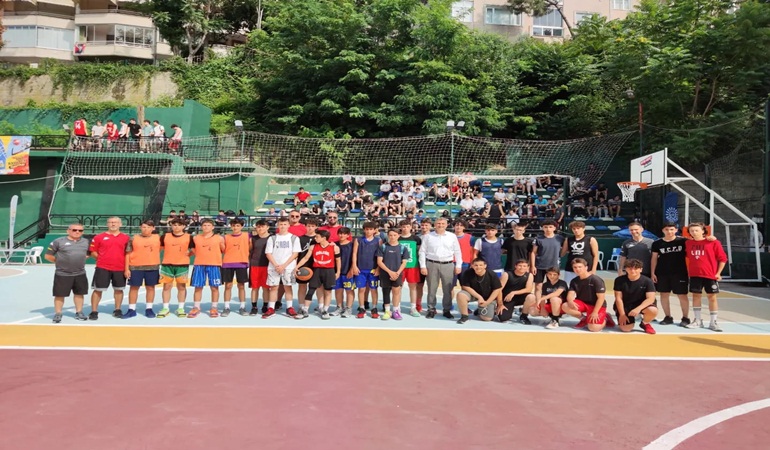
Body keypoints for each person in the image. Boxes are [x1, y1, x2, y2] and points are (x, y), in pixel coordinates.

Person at [685, 222, 727, 332]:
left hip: (710, 275)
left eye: (697, 230)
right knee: (696, 296)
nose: (694, 232)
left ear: (703, 231)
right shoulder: (688, 243)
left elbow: (723, 259)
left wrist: (718, 273)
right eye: (692, 230)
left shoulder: (713, 242)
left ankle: (713, 322)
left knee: (712, 297)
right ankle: (698, 320)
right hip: (695, 275)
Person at [418, 217, 463, 319]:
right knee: (431, 288)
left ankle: (446, 309)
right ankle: (431, 309)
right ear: (435, 225)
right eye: (438, 223)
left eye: (443, 224)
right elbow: (422, 252)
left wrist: (459, 265)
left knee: (447, 289)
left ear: (447, 225)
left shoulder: (452, 236)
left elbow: (457, 251)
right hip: (432, 264)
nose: (440, 225)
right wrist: (423, 266)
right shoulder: (428, 236)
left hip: (448, 264)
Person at [46, 224, 90, 323]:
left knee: (79, 294)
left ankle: (79, 312)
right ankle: (58, 313)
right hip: (62, 274)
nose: (77, 232)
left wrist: (82, 258)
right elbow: (48, 256)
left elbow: (89, 253)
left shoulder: (86, 242)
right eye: (74, 230)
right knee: (59, 295)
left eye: (80, 230)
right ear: (68, 231)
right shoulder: (58, 241)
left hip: (80, 273)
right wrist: (60, 262)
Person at [88, 216, 129, 319]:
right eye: (110, 222)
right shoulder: (99, 237)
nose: (113, 224)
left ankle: (117, 309)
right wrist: (102, 259)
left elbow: (128, 253)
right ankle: (94, 311)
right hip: (102, 268)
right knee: (98, 289)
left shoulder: (126, 238)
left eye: (115, 222)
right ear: (107, 224)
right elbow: (93, 251)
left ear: (120, 224)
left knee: (119, 290)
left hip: (120, 268)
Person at [650, 222, 691, 326]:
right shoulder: (657, 243)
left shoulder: (684, 241)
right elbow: (654, 258)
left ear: (676, 230)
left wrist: (710, 238)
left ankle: (685, 318)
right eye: (667, 230)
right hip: (662, 273)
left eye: (672, 229)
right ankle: (668, 317)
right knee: (664, 294)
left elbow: (698, 241)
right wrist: (652, 273)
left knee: (682, 295)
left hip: (680, 273)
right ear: (663, 230)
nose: (669, 232)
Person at [294, 230, 340, 320]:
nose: (315, 238)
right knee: (311, 290)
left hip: (329, 271)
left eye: (317, 237)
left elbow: (338, 260)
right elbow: (306, 258)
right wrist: (297, 266)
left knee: (328, 291)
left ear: (324, 238)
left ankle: (325, 310)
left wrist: (338, 272)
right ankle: (305, 310)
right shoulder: (313, 246)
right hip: (317, 270)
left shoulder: (334, 247)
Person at [562, 258, 615, 332]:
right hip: (583, 304)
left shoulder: (596, 280)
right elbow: (570, 294)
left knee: (593, 328)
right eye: (575, 267)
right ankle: (584, 319)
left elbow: (601, 298)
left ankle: (605, 317)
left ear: (586, 267)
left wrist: (595, 312)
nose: (577, 269)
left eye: (580, 267)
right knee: (565, 305)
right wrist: (570, 301)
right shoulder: (574, 281)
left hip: (596, 305)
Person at [264, 217, 301, 318]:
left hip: (288, 267)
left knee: (287, 287)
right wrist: (276, 265)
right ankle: (271, 308)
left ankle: (289, 308)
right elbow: (268, 253)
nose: (283, 226)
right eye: (281, 224)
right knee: (274, 287)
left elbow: (295, 254)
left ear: (289, 225)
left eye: (285, 224)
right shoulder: (272, 238)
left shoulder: (294, 238)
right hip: (273, 267)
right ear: (278, 225)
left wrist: (284, 265)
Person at [124, 220, 161, 318]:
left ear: (153, 228)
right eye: (144, 227)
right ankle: (131, 309)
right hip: (135, 267)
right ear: (140, 227)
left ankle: (149, 309)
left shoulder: (158, 238)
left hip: (153, 267)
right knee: (134, 288)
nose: (146, 229)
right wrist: (126, 269)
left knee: (150, 288)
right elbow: (127, 254)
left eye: (149, 227)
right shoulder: (133, 238)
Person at [189, 219, 225, 318]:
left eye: (209, 225)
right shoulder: (196, 238)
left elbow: (224, 250)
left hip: (214, 265)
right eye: (204, 225)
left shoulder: (219, 238)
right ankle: (196, 307)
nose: (206, 227)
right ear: (201, 227)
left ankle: (214, 307)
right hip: (199, 265)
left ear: (213, 227)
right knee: (198, 287)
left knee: (214, 287)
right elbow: (192, 250)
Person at [158, 218, 194, 318]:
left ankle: (181, 308)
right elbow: (159, 249)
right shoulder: (165, 236)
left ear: (183, 226)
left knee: (181, 287)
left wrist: (189, 254)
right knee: (166, 287)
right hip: (167, 265)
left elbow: (194, 250)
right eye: (174, 225)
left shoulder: (189, 237)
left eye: (179, 225)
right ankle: (165, 308)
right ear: (171, 226)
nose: (176, 227)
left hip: (182, 265)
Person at [613, 259, 658, 334]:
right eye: (630, 268)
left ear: (641, 269)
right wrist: (622, 314)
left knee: (653, 310)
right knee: (626, 329)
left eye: (636, 268)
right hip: (626, 305)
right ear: (626, 269)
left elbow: (650, 299)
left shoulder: (647, 281)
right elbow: (618, 298)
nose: (633, 270)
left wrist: (638, 309)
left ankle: (645, 323)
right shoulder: (619, 280)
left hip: (641, 305)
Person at [455, 258, 503, 324]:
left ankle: (480, 309)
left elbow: (497, 290)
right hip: (474, 295)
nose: (478, 267)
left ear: (485, 266)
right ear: (472, 265)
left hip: (488, 297)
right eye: (476, 265)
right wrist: (479, 297)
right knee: (460, 295)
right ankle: (464, 316)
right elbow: (465, 286)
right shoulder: (468, 272)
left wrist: (487, 302)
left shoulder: (492, 274)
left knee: (487, 318)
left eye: (480, 265)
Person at [377, 229, 410, 320]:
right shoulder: (383, 247)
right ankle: (387, 311)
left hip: (397, 273)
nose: (392, 237)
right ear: (388, 236)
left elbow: (404, 263)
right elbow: (379, 262)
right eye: (390, 235)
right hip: (385, 273)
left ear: (398, 236)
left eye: (394, 235)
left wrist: (397, 273)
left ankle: (395, 310)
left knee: (396, 292)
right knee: (386, 292)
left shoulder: (403, 248)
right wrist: (389, 272)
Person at [351, 221, 382, 318]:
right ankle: (361, 307)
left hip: (373, 269)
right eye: (367, 229)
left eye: (370, 229)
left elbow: (380, 256)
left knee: (374, 289)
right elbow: (354, 254)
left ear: (374, 230)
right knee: (361, 289)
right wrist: (354, 266)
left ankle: (374, 307)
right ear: (364, 230)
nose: (368, 231)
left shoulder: (378, 240)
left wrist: (378, 268)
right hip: (361, 269)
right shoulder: (358, 240)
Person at [530, 220, 564, 306]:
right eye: (545, 227)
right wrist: (533, 266)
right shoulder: (538, 239)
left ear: (554, 228)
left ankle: (551, 305)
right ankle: (538, 304)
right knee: (538, 286)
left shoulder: (559, 238)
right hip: (540, 265)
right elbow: (533, 252)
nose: (548, 229)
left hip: (553, 267)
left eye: (550, 227)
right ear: (542, 228)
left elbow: (565, 249)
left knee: (552, 288)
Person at [222, 218, 252, 316]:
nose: (235, 227)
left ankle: (242, 307)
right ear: (231, 226)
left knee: (241, 286)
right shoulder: (225, 237)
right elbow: (222, 249)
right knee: (228, 286)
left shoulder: (247, 236)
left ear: (242, 226)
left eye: (238, 225)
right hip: (228, 263)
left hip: (241, 263)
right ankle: (226, 307)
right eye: (234, 225)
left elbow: (250, 247)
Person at [498, 259, 536, 323]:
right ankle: (493, 309)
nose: (522, 268)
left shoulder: (529, 275)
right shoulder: (507, 274)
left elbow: (528, 289)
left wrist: (514, 292)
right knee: (503, 318)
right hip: (507, 298)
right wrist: (500, 304)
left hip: (520, 297)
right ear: (515, 266)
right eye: (520, 265)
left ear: (528, 267)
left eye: (524, 266)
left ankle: (524, 315)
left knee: (531, 297)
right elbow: (499, 290)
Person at [398, 220, 422, 317]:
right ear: (401, 227)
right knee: (398, 288)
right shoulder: (397, 238)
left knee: (413, 287)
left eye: (407, 226)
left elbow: (420, 252)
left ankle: (413, 308)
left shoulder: (416, 239)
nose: (405, 228)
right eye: (403, 227)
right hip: (399, 267)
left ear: (411, 227)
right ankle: (397, 307)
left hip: (413, 266)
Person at [331, 227, 356, 317]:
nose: (342, 235)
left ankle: (348, 308)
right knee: (338, 290)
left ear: (348, 235)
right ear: (337, 234)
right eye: (340, 233)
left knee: (349, 290)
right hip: (337, 272)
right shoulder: (334, 245)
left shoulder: (352, 245)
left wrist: (351, 269)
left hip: (348, 271)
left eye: (344, 234)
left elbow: (355, 259)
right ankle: (339, 307)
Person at [249, 220, 272, 315]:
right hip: (255, 265)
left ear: (267, 227)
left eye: (262, 226)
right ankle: (254, 306)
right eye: (258, 227)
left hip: (268, 266)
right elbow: (250, 251)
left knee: (266, 288)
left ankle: (265, 306)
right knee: (255, 287)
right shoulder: (253, 239)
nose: (260, 228)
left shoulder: (272, 238)